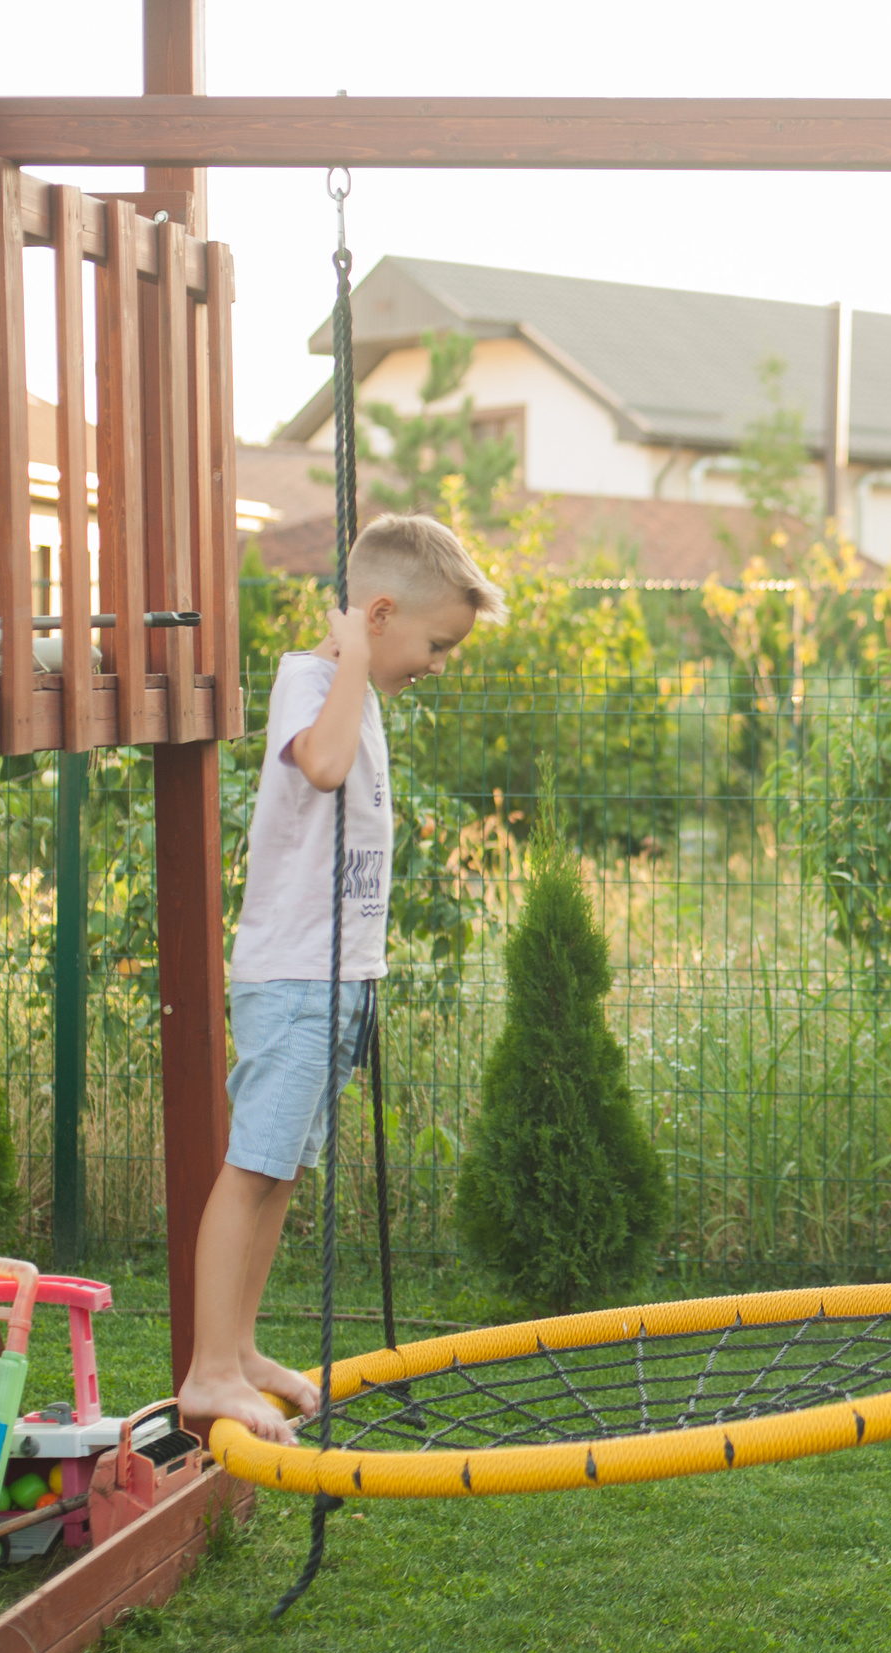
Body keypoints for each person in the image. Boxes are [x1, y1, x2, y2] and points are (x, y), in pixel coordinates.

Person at [178, 513, 507, 1442]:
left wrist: (362, 662)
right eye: (436, 644)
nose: (438, 664)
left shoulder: (352, 692)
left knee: (282, 1173)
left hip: (337, 984)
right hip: (293, 981)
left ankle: (239, 1350)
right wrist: (353, 653)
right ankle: (207, 1369)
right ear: (381, 614)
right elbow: (321, 769)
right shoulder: (312, 681)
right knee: (252, 1170)